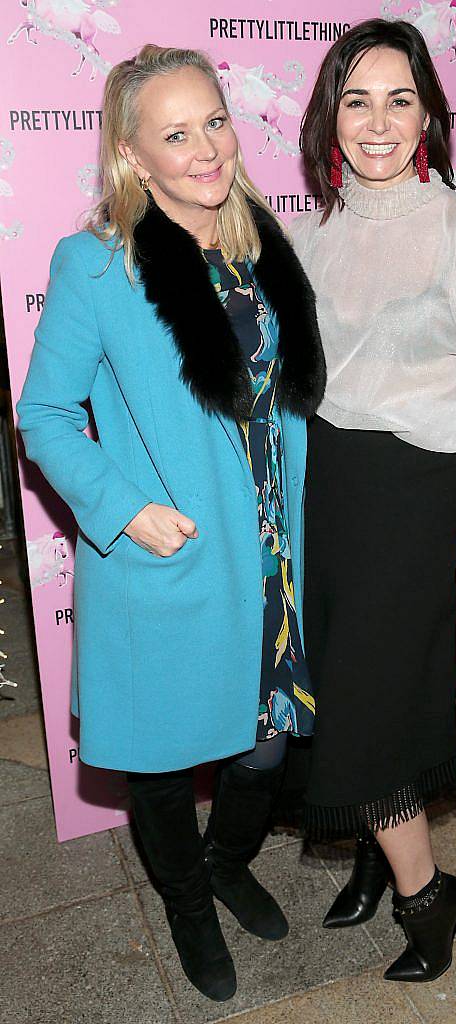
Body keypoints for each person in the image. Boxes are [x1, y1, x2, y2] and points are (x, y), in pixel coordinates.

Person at [17, 45, 325, 1002]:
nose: (206, 149)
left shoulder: (258, 243)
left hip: (270, 550)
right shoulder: (97, 263)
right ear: (133, 155)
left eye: (216, 122)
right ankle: (187, 898)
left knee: (266, 738)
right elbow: (45, 415)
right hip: (169, 550)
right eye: (177, 133)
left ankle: (227, 862)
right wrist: (123, 512)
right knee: (157, 757)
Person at [291, 18, 456, 982]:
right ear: (328, 117)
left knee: (367, 705)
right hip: (327, 489)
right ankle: (388, 873)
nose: (377, 122)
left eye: (398, 98)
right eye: (356, 99)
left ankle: (431, 898)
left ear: (427, 111)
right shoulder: (304, 234)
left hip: (423, 495)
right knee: (340, 691)